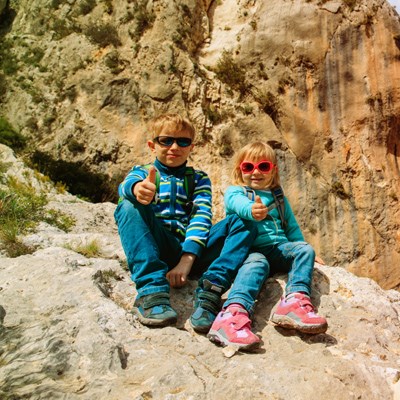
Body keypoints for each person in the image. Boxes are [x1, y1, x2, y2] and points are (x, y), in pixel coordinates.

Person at [114, 113, 260, 338]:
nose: (174, 147)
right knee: (128, 206)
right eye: (166, 140)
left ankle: (211, 288)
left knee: (245, 220)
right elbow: (126, 186)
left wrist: (186, 261)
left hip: (193, 251)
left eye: (182, 142)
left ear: (192, 146)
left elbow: (201, 216)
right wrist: (136, 190)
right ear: (152, 145)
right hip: (158, 246)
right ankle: (151, 291)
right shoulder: (142, 173)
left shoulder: (199, 179)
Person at [213, 141, 327, 336]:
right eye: (248, 167)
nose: (256, 172)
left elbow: (291, 226)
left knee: (305, 250)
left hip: (279, 249)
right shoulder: (236, 192)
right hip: (251, 250)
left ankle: (294, 301)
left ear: (273, 170)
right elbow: (238, 204)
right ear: (240, 170)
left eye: (263, 167)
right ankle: (233, 312)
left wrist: (303, 248)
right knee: (255, 265)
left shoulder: (278, 196)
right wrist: (252, 209)